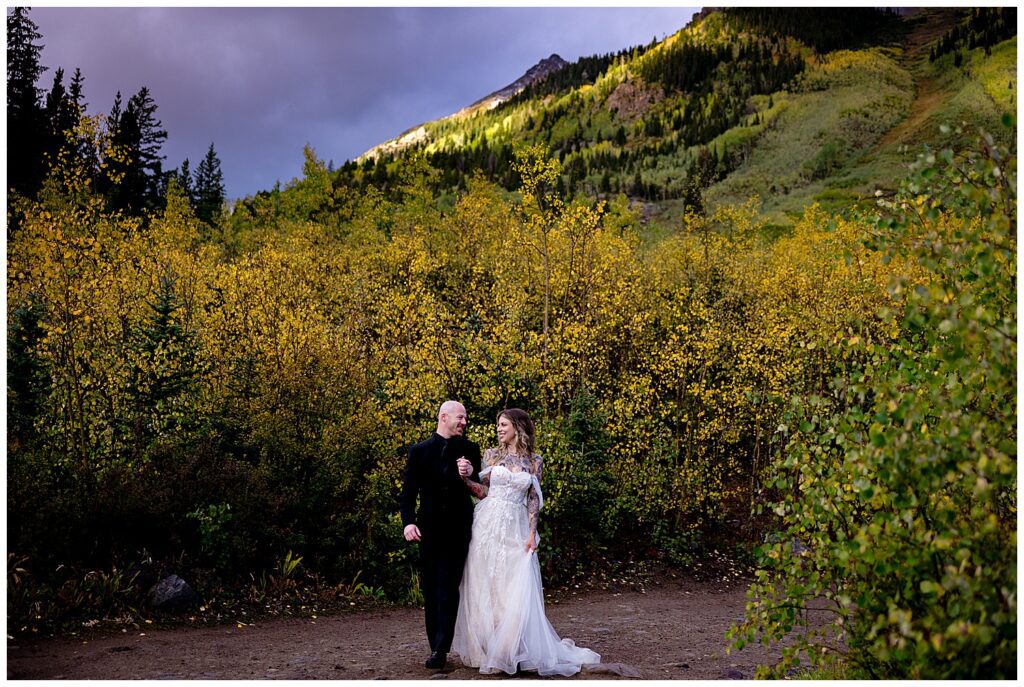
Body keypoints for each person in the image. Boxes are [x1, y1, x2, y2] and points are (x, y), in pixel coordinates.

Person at [451, 408, 601, 676]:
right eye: (498, 424)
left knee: (515, 587)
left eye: (503, 424)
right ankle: (488, 648)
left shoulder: (535, 461)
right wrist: (465, 479)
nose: (499, 429)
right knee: (487, 585)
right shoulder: (491, 455)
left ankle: (507, 650)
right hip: (487, 525)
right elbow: (483, 492)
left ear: (518, 427)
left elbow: (533, 498)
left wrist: (532, 533)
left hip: (516, 526)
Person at [400, 400, 482, 671]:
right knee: (431, 589)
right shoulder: (419, 451)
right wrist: (408, 523)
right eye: (460, 417)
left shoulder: (470, 449)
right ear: (443, 417)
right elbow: (408, 493)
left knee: (448, 587)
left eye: (465, 418)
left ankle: (440, 649)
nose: (464, 422)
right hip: (429, 530)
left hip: (459, 529)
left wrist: (470, 474)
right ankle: (435, 643)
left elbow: (482, 489)